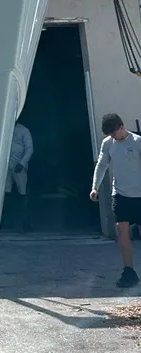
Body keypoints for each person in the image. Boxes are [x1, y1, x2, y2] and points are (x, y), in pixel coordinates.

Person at [91, 112, 141, 288]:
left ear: (121, 127)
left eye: (114, 133)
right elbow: (102, 165)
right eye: (110, 134)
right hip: (120, 194)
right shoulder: (108, 143)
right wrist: (95, 187)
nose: (113, 137)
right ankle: (129, 271)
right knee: (122, 231)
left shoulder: (137, 142)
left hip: (139, 195)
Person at [5, 121, 34, 232]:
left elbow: (29, 149)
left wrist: (22, 163)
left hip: (19, 168)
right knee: (5, 194)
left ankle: (25, 222)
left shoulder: (23, 130)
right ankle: (6, 221)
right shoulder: (4, 126)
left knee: (22, 194)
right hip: (5, 168)